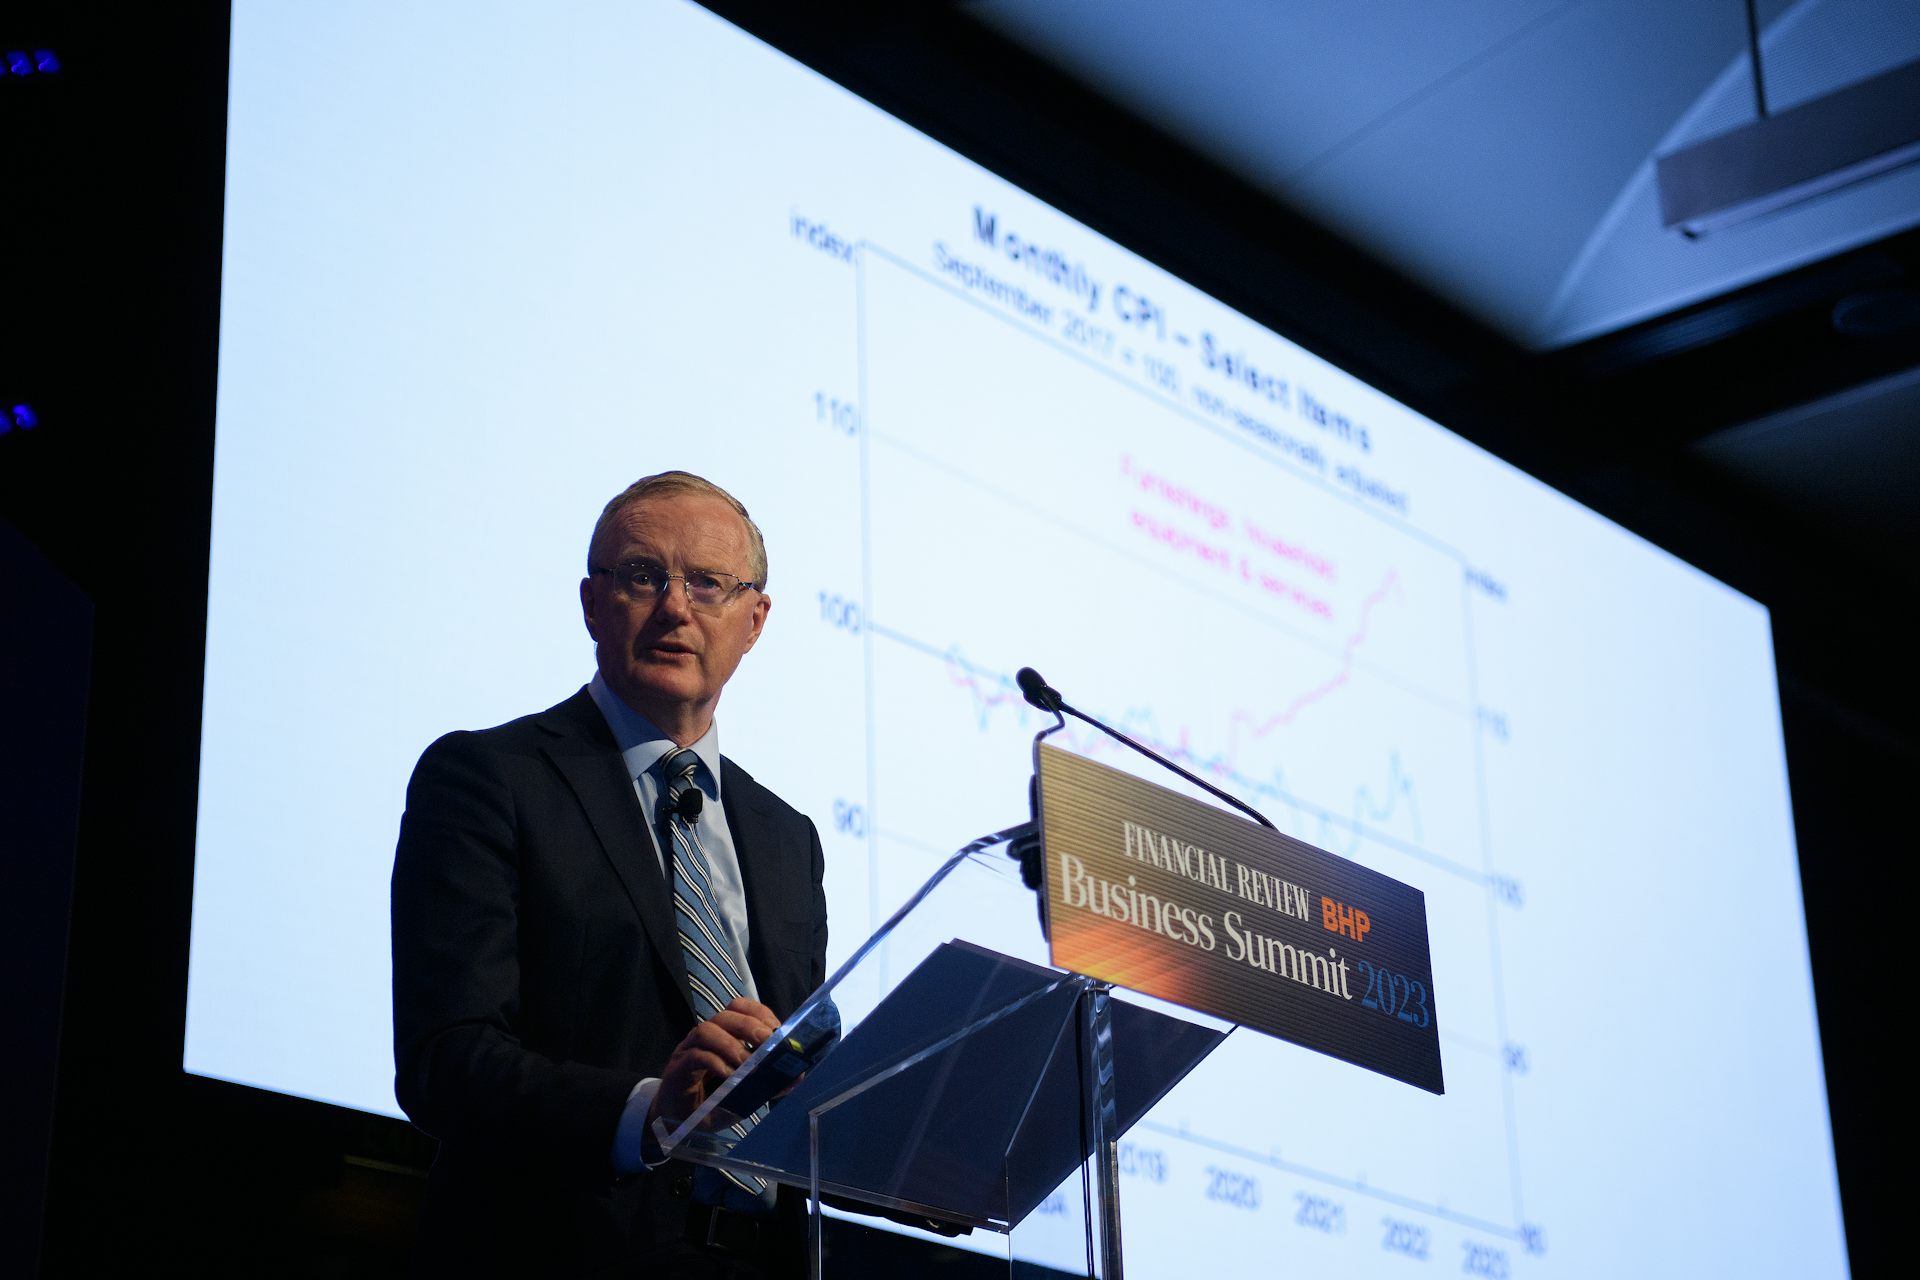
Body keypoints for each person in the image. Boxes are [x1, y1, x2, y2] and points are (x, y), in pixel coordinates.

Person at [391, 471, 826, 1277]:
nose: (675, 606)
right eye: (642, 576)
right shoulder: (491, 778)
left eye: (707, 584)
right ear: (593, 604)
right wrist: (646, 1112)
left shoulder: (787, 839)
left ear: (755, 620)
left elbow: (790, 1081)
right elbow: (445, 1060)